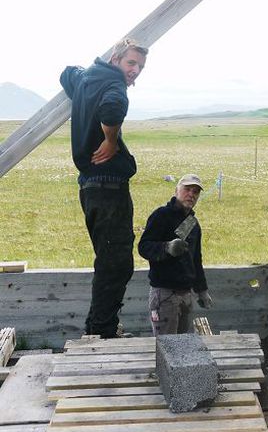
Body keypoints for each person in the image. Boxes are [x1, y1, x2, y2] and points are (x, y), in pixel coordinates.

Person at [60, 38, 148, 338]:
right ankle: (104, 331)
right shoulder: (114, 85)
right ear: (116, 59)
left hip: (90, 187)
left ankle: (95, 328)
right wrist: (110, 140)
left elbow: (67, 73)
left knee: (108, 261)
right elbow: (113, 108)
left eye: (140, 66)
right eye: (131, 63)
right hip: (109, 187)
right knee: (116, 264)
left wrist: (86, 72)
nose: (135, 71)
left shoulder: (88, 79)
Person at [138, 174, 213, 335]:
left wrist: (202, 290)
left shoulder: (192, 223)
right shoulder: (161, 215)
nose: (191, 194)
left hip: (186, 295)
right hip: (165, 294)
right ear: (176, 190)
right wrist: (166, 248)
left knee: (182, 348)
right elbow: (143, 247)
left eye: (195, 192)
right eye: (187, 189)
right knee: (167, 348)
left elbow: (196, 260)